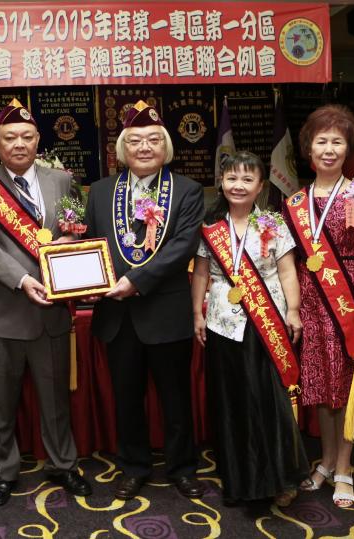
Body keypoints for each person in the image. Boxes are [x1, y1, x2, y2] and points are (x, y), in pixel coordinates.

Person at [0, 98, 91, 506]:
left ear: (38, 140)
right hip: (5, 313)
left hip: (52, 313)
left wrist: (72, 242)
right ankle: (3, 471)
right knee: (0, 402)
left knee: (55, 399)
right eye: (10, 138)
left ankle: (63, 464)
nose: (19, 144)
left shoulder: (62, 180)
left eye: (26, 136)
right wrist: (22, 279)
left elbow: (77, 227)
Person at [83, 100, 206, 500]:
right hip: (117, 316)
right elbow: (91, 244)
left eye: (154, 139)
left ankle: (182, 467)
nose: (144, 147)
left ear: (165, 147)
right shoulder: (101, 191)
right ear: (123, 148)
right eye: (135, 141)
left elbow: (183, 247)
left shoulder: (187, 190)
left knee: (176, 398)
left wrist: (135, 281)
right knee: (126, 397)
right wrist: (83, 275)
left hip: (166, 311)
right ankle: (133, 466)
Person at [191, 151, 309, 506]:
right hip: (222, 323)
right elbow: (200, 274)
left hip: (267, 322)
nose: (238, 185)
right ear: (221, 183)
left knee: (268, 401)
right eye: (231, 178)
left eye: (247, 179)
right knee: (231, 402)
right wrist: (197, 314)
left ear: (260, 186)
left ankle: (281, 478)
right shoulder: (211, 227)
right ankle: (240, 480)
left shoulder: (273, 224)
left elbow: (287, 271)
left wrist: (293, 310)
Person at [284, 104, 354, 508]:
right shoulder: (295, 201)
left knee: (346, 387)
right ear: (308, 148)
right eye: (321, 141)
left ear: (349, 148)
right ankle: (326, 462)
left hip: (351, 302)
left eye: (337, 142)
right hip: (311, 302)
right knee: (321, 386)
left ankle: (344, 467)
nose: (329, 149)